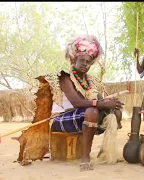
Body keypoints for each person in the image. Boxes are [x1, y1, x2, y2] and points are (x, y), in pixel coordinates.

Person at [48, 35, 124, 171]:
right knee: (92, 111)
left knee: (116, 112)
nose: (85, 64)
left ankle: (106, 152)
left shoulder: (90, 81)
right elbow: (76, 102)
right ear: (74, 60)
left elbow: (100, 101)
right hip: (59, 118)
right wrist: (102, 104)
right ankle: (85, 158)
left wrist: (110, 103)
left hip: (82, 115)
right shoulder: (65, 77)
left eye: (88, 62)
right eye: (81, 60)